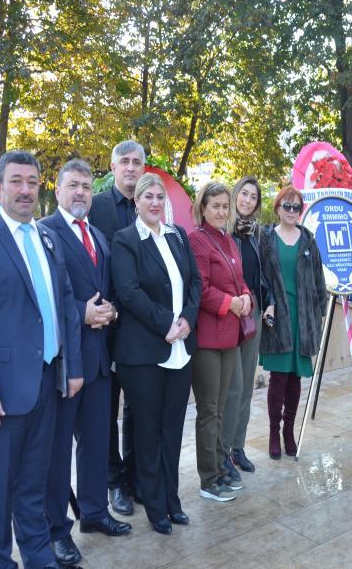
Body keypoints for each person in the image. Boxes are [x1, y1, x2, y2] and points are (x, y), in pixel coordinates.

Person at [0, 150, 82, 568]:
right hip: (2, 395)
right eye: (16, 181)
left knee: (33, 482)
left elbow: (64, 304)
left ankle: (37, 554)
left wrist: (72, 368)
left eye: (32, 182)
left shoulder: (46, 237)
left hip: (47, 383)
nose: (25, 190)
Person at [42, 159, 130, 567]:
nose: (80, 192)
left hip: (98, 360)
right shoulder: (44, 233)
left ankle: (94, 514)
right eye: (73, 185)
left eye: (86, 187)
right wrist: (82, 312)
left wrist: (108, 310)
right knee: (58, 453)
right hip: (62, 365)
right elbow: (42, 299)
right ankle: (56, 531)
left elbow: (104, 288)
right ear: (57, 190)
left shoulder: (97, 234)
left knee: (96, 444)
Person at [111, 172, 202, 534]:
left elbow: (194, 281)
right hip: (144, 353)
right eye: (147, 196)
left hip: (181, 348)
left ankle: (173, 500)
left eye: (159, 197)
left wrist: (187, 321)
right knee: (147, 434)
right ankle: (155, 507)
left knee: (172, 430)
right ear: (136, 201)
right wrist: (168, 322)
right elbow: (129, 292)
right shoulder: (125, 240)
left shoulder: (177, 236)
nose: (154, 202)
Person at [88, 139, 145, 515]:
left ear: (144, 167)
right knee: (106, 411)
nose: (129, 167)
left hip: (142, 329)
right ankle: (114, 482)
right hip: (104, 328)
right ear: (112, 166)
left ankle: (136, 475)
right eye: (123, 161)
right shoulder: (96, 208)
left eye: (136, 162)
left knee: (138, 408)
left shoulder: (152, 208)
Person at [190, 181, 252, 503]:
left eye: (225, 206)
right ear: (203, 208)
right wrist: (231, 303)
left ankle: (220, 466)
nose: (221, 211)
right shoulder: (197, 240)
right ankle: (208, 478)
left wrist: (246, 298)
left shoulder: (228, 241)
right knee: (209, 408)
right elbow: (200, 288)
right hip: (208, 337)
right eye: (215, 205)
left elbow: (239, 278)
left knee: (222, 406)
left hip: (230, 334)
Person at [259, 186, 328, 458]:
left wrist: (320, 310)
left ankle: (289, 430)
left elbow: (318, 279)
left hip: (303, 317)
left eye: (296, 207)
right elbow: (260, 278)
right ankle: (274, 432)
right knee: (278, 378)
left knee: (295, 378)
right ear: (277, 208)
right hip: (277, 317)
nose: (291, 211)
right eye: (286, 206)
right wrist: (266, 305)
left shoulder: (308, 240)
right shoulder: (266, 239)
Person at [222, 176, 273, 478]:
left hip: (252, 310)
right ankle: (224, 449)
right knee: (233, 386)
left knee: (246, 389)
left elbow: (263, 273)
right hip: (229, 309)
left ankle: (238, 447)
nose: (248, 200)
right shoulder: (223, 230)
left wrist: (268, 302)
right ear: (235, 194)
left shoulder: (257, 234)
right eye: (244, 194)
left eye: (254, 197)